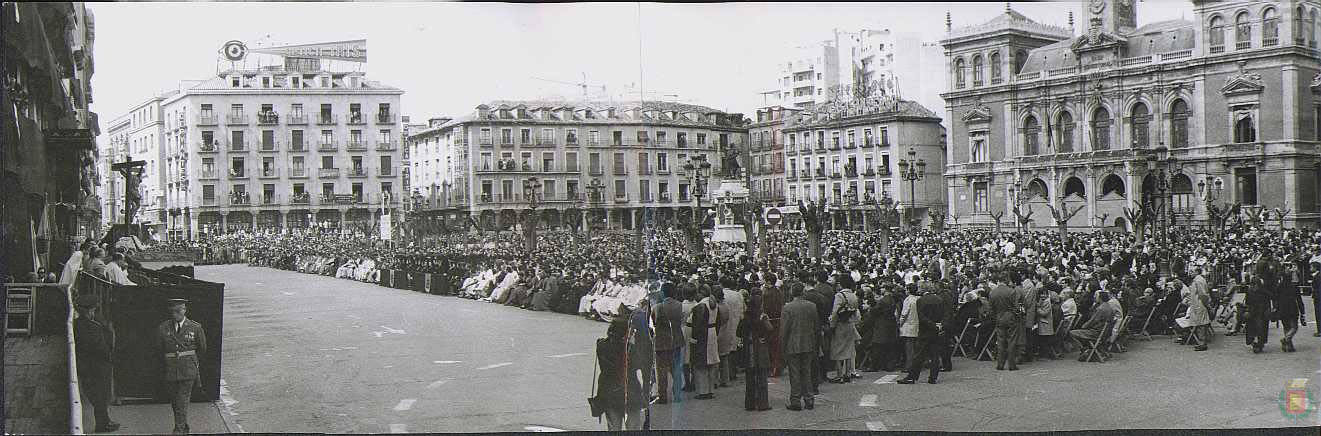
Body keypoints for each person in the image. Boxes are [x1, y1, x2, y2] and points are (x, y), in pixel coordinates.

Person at [158, 299, 207, 434]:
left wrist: (192, 361)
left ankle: (178, 430)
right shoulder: (163, 328)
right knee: (175, 401)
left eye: (178, 311)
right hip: (171, 369)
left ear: (184, 310)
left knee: (182, 400)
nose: (175, 314)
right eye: (173, 311)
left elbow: (202, 349)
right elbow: (159, 348)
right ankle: (183, 426)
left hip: (188, 369)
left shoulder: (195, 327)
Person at [74, 294, 119, 433]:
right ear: (89, 310)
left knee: (97, 395)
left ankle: (105, 421)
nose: (94, 312)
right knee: (100, 395)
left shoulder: (78, 324)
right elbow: (100, 348)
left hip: (87, 365)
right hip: (97, 366)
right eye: (93, 310)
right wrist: (110, 355)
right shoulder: (91, 327)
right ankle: (102, 424)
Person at [594, 318, 645, 430]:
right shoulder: (630, 348)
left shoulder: (602, 345)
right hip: (630, 393)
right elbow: (639, 364)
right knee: (633, 427)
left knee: (614, 427)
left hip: (609, 392)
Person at [780, 283, 817, 411]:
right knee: (806, 372)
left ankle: (795, 400)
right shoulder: (812, 306)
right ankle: (809, 399)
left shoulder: (787, 308)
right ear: (803, 292)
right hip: (809, 343)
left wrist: (782, 347)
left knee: (794, 374)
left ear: (792, 292)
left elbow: (784, 330)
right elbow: (816, 327)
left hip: (792, 344)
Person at [899, 283, 945, 384]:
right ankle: (933, 377)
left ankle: (912, 376)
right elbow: (943, 314)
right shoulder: (939, 299)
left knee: (919, 355)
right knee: (934, 355)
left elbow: (921, 317)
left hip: (925, 330)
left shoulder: (920, 300)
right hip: (936, 329)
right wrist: (938, 325)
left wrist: (932, 324)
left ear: (923, 289)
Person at [740, 287, 773, 411]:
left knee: (750, 378)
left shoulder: (746, 317)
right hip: (760, 348)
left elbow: (739, 332)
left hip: (749, 348)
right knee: (762, 377)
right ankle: (763, 403)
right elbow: (770, 329)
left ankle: (750, 403)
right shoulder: (762, 316)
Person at [652, 282, 684, 404]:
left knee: (661, 371)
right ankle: (677, 395)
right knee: (675, 369)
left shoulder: (658, 307)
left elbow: (654, 322)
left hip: (661, 342)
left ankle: (663, 395)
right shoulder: (680, 305)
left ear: (663, 292)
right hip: (676, 340)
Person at [687, 286, 720, 400]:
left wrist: (694, 338)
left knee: (701, 364)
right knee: (711, 363)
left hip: (703, 336)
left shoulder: (700, 306)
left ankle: (703, 391)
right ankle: (711, 390)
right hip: (713, 332)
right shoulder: (714, 304)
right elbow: (719, 321)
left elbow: (698, 325)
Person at [828, 277, 861, 383]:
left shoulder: (839, 296)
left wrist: (832, 325)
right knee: (848, 349)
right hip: (850, 324)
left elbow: (835, 312)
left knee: (837, 349)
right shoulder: (853, 296)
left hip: (840, 325)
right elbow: (856, 313)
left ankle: (839, 374)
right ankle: (847, 373)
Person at [988, 273, 1022, 370]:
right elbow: (1016, 307)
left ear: (998, 281)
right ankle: (1012, 364)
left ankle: (1000, 364)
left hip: (999, 317)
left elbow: (991, 309)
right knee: (1012, 341)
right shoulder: (1011, 291)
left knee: (1000, 341)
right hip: (1010, 317)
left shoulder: (992, 293)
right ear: (1006, 280)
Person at [1070, 291, 1117, 361]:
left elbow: (1092, 321)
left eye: (1097, 296)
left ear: (1100, 298)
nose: (1095, 298)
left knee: (1072, 333)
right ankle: (1090, 349)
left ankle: (1084, 350)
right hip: (1105, 333)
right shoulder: (1109, 307)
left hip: (1096, 333)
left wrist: (1084, 326)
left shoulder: (1100, 309)